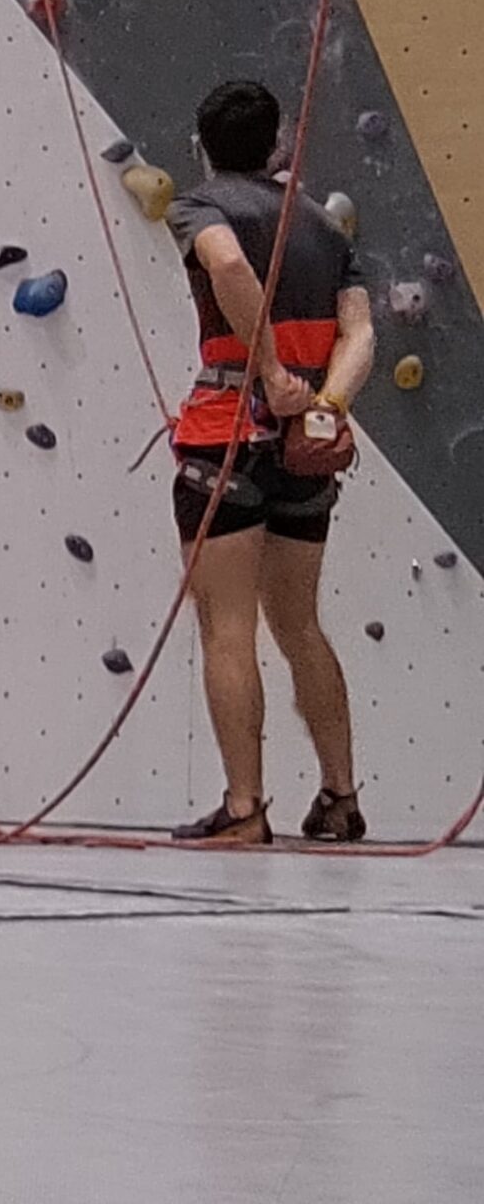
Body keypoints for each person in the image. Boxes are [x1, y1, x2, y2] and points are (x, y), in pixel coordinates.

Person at [166, 78, 375, 845]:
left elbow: (226, 268)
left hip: (225, 433)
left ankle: (244, 806)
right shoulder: (320, 223)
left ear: (201, 146)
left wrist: (270, 374)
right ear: (275, 145)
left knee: (227, 629)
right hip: (303, 451)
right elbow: (359, 332)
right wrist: (324, 406)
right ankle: (339, 796)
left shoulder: (199, 207)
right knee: (300, 625)